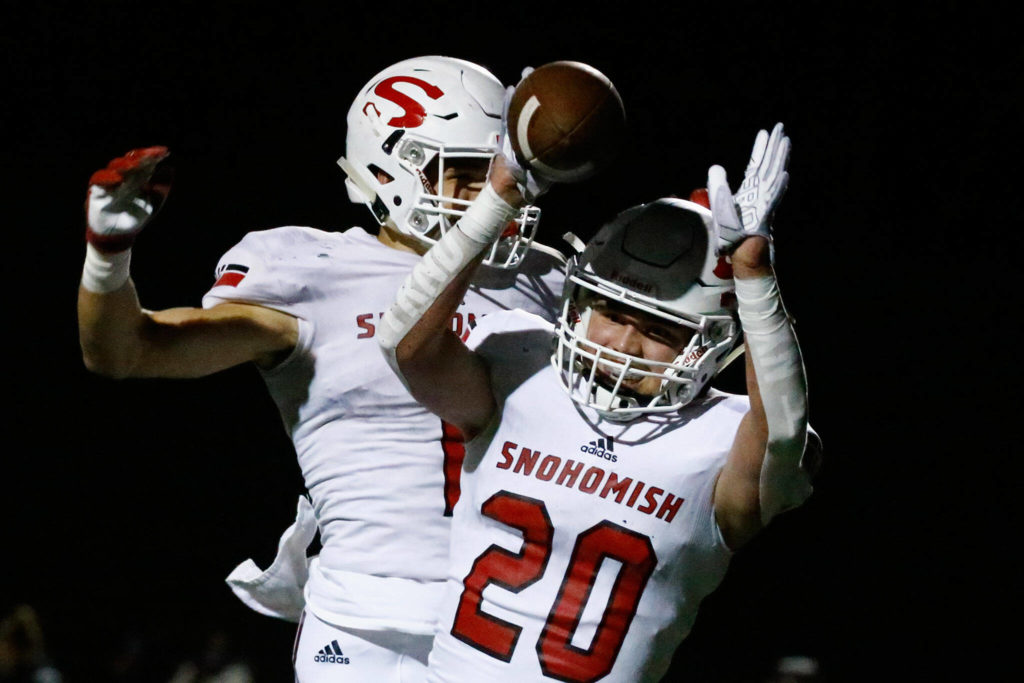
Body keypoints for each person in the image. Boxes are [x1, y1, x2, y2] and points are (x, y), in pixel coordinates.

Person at [77, 56, 567, 681]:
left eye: (500, 174)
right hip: (369, 622)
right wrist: (107, 257)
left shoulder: (548, 278)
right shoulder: (317, 271)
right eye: (468, 175)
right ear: (394, 169)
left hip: (525, 616)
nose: (493, 194)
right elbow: (126, 352)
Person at [379, 123, 820, 681]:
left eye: (660, 330)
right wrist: (497, 199)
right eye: (612, 313)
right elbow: (404, 344)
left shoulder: (723, 435)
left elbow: (782, 431)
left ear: (709, 342)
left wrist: (755, 276)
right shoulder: (522, 367)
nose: (624, 346)